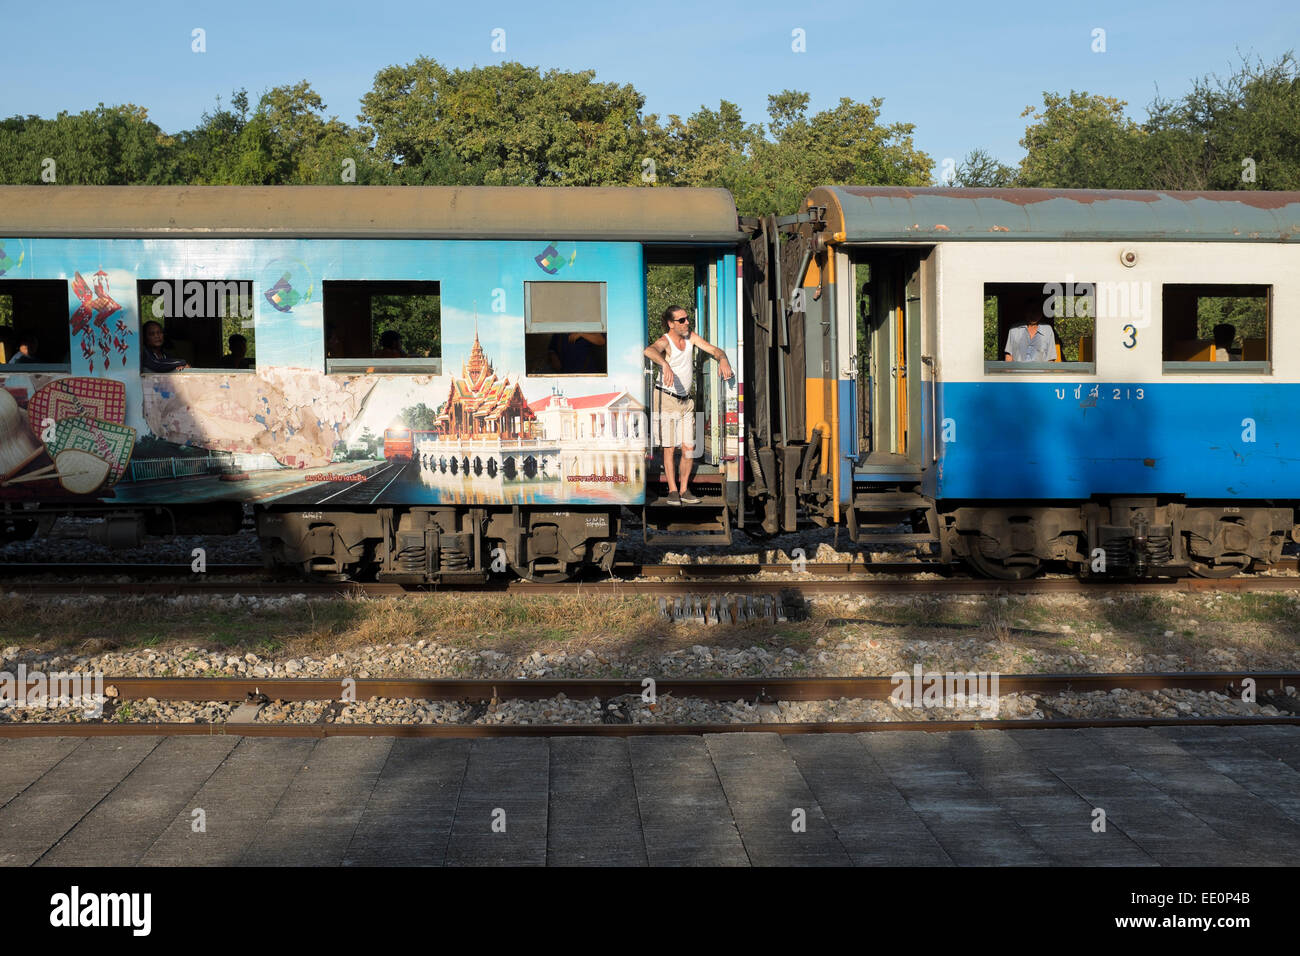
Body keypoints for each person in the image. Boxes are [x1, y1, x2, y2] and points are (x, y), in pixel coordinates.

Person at [644, 306, 733, 506]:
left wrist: (723, 359)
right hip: (666, 399)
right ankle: (673, 491)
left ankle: (684, 489)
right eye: (682, 320)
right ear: (671, 324)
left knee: (689, 448)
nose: (687, 323)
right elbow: (649, 350)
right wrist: (664, 364)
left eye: (687, 319)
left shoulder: (691, 337)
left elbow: (713, 350)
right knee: (669, 449)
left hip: (686, 402)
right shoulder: (665, 341)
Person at [1003, 298, 1057, 362]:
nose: (1034, 314)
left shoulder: (1047, 330)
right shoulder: (1014, 330)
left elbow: (1050, 359)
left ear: (1041, 312)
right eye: (1031, 310)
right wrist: (1009, 371)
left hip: (1040, 372)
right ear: (1025, 311)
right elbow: (1009, 355)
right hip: (1018, 371)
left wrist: (1047, 371)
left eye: (1036, 310)